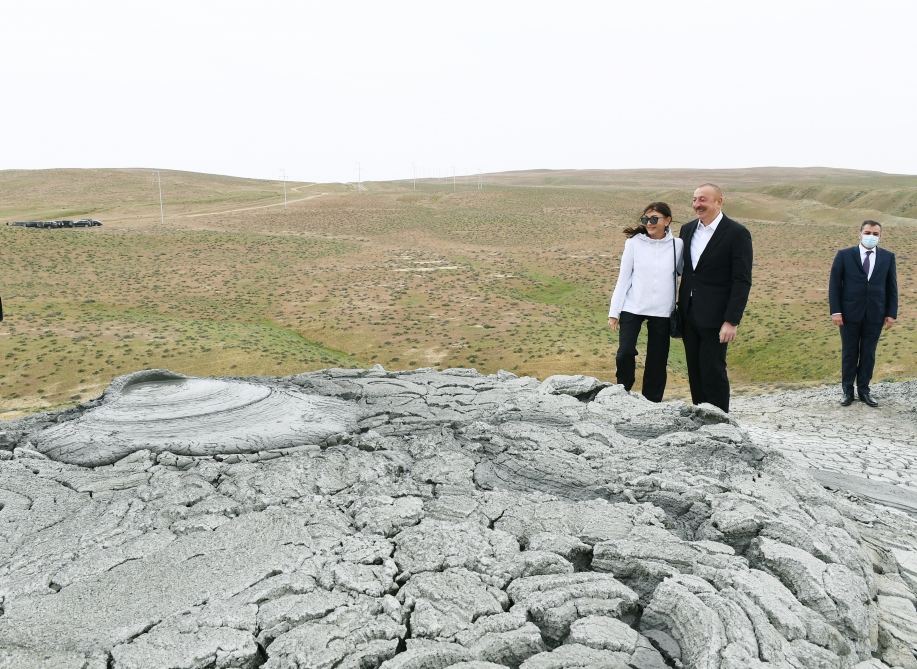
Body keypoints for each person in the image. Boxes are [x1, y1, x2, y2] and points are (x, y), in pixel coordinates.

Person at [677, 183, 753, 413]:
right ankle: (701, 418)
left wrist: (731, 321)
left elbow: (741, 280)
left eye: (703, 199)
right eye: (694, 199)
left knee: (713, 370)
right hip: (689, 314)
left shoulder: (737, 233)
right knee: (695, 371)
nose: (697, 204)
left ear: (719, 201)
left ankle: (720, 422)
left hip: (717, 318)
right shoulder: (687, 229)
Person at [608, 202, 683, 402]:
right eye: (645, 219)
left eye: (654, 219)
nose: (649, 223)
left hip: (662, 310)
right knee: (624, 352)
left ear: (667, 221)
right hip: (633, 306)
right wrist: (614, 312)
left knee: (657, 360)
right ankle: (621, 394)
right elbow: (623, 277)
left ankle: (652, 401)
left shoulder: (678, 245)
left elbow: (685, 274)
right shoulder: (634, 243)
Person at [828, 220, 898, 407]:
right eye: (868, 232)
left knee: (868, 353)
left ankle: (864, 391)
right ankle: (847, 392)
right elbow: (835, 285)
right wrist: (836, 311)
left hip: (875, 314)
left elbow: (892, 287)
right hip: (849, 314)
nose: (871, 237)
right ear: (860, 233)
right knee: (850, 352)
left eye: (875, 234)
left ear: (880, 236)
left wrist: (892, 313)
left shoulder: (888, 257)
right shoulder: (844, 255)